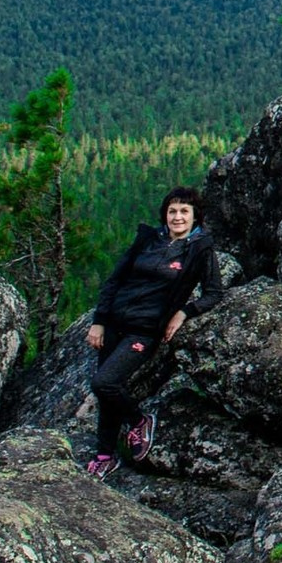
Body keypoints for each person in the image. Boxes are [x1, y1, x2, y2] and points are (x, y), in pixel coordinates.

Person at [82, 185, 223, 479]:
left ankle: (138, 421)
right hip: (114, 325)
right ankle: (105, 456)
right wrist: (99, 320)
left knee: (104, 382)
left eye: (184, 211)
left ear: (195, 216)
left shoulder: (200, 250)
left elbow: (213, 293)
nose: (178, 216)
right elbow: (114, 280)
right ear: (165, 214)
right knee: (107, 391)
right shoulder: (148, 240)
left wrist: (184, 312)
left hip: (144, 332)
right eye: (172, 211)